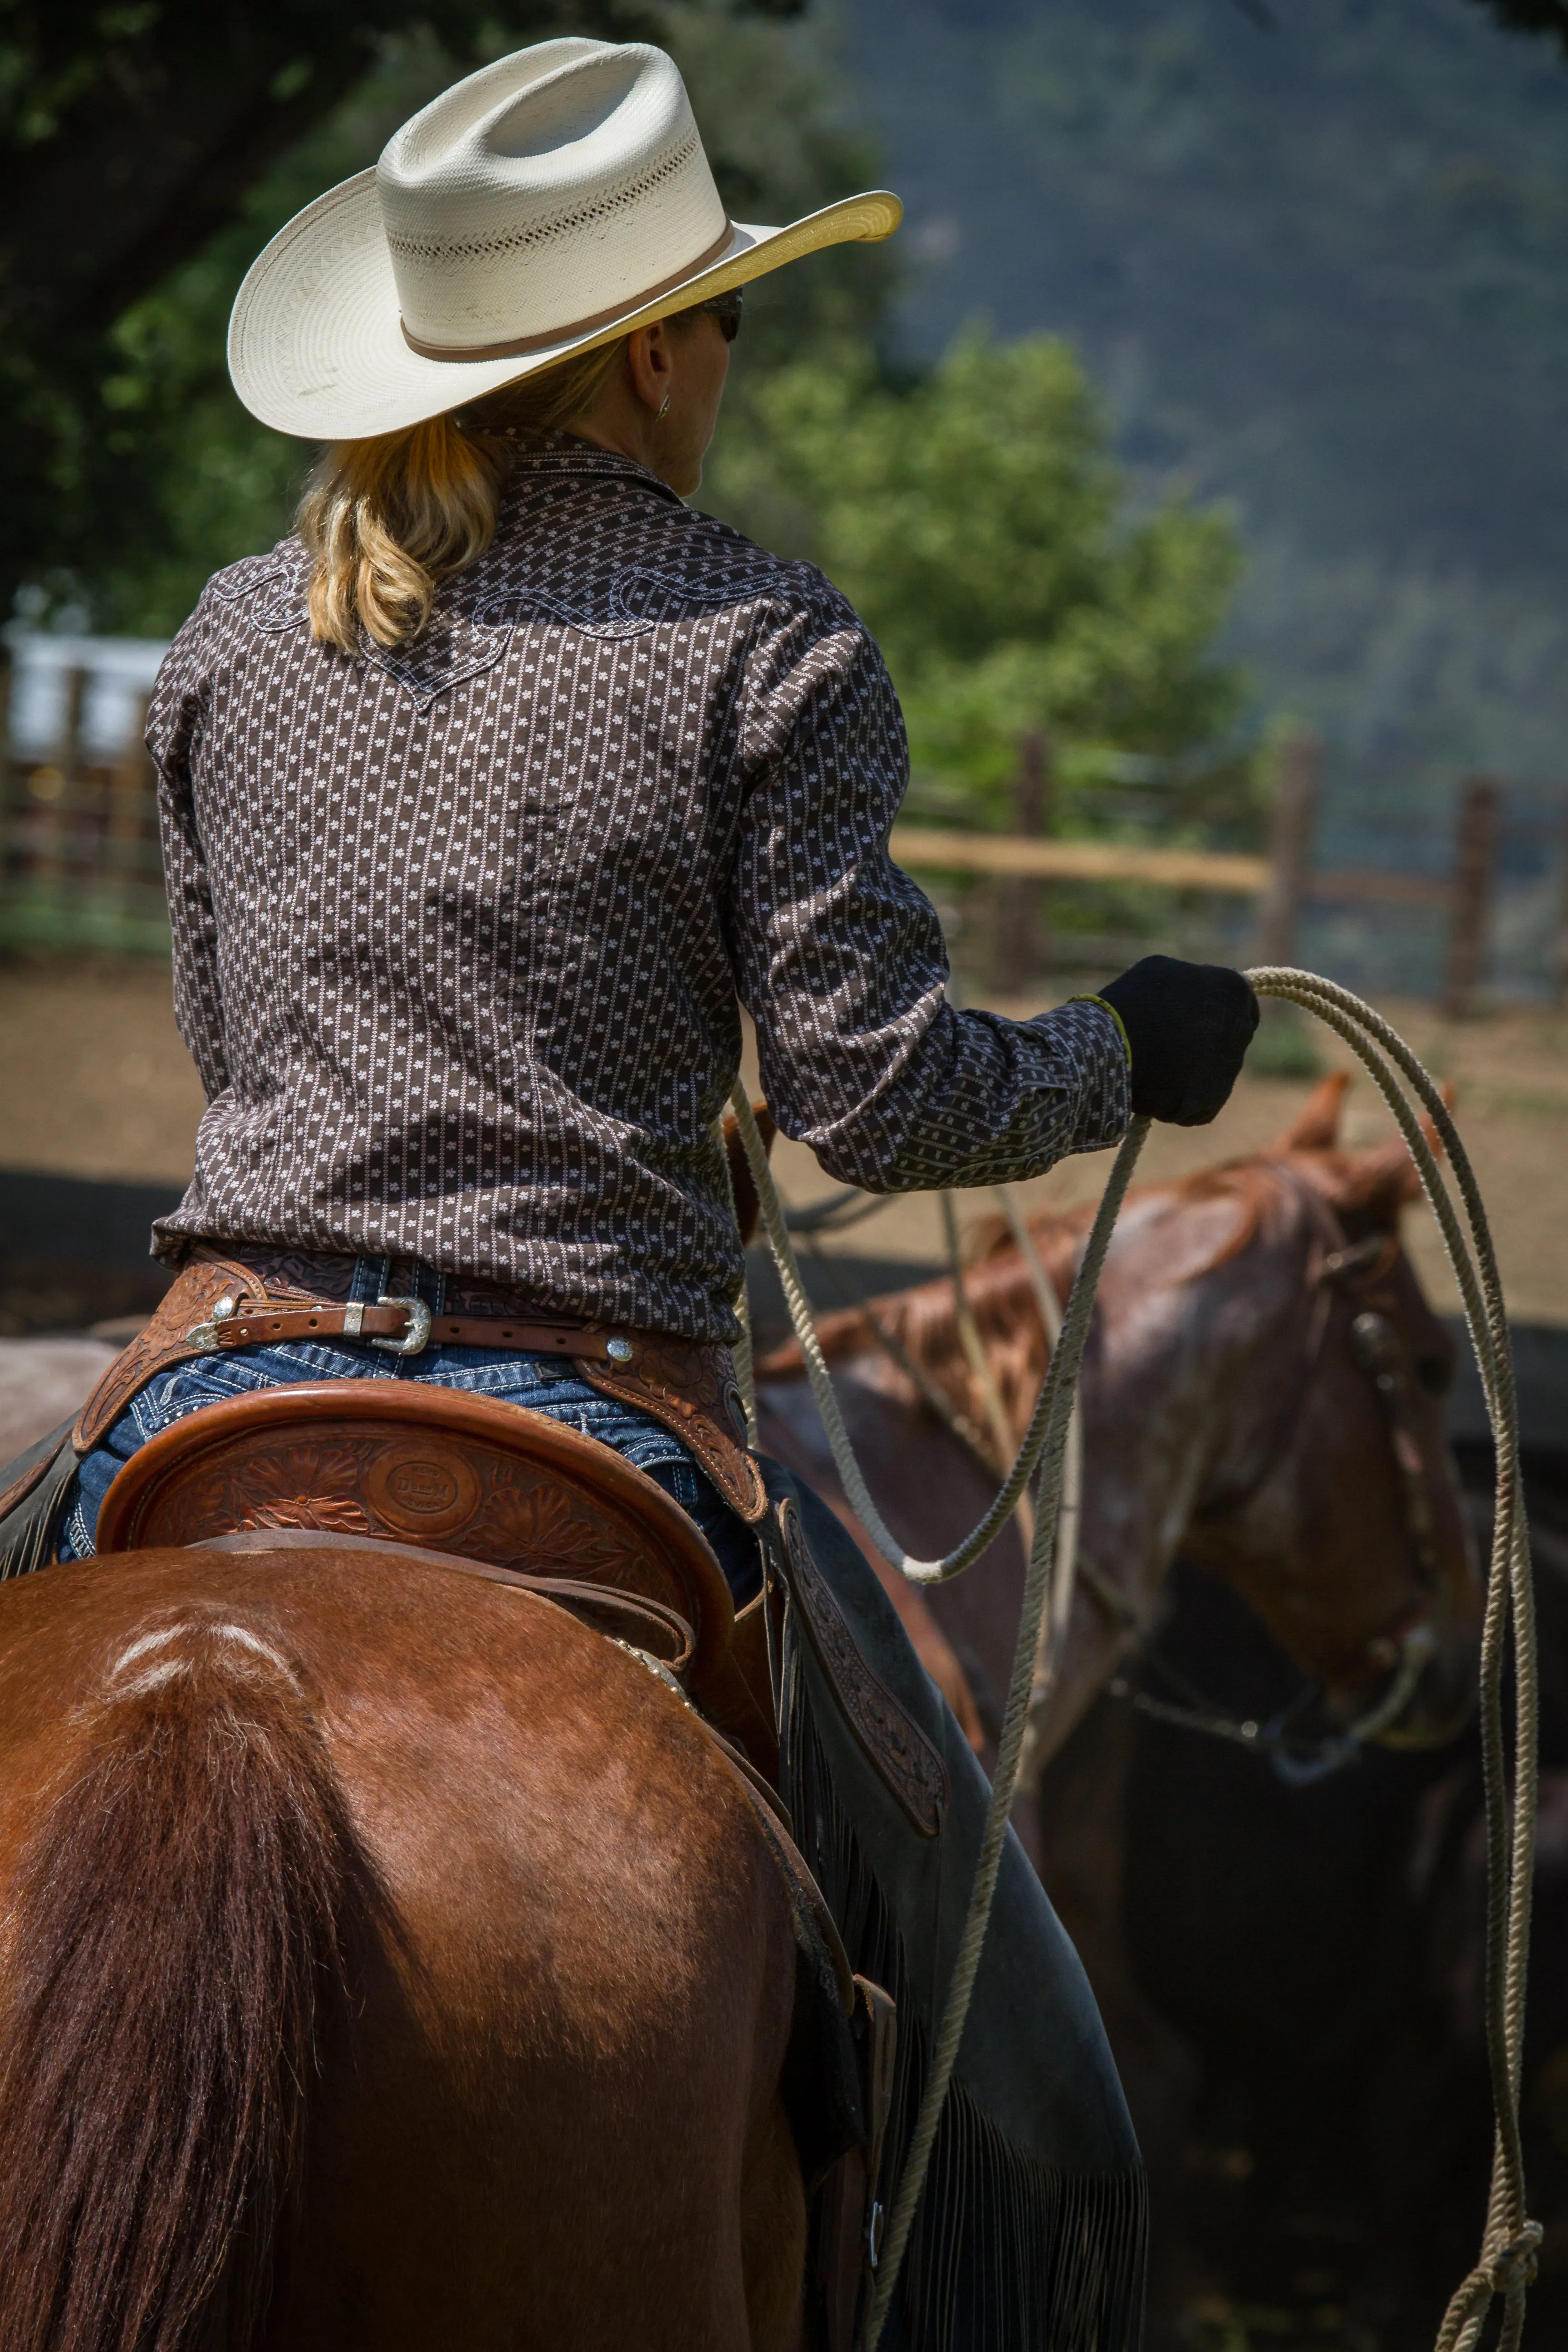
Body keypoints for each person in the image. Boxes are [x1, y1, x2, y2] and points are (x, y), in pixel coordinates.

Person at [32, 36, 1256, 2344]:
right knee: (1039, 2115)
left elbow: (237, 1047)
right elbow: (883, 1105)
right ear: (668, 349)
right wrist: (1123, 1051)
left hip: (214, 1376)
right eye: (735, 323)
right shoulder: (762, 648)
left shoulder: (223, 640)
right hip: (609, 1423)